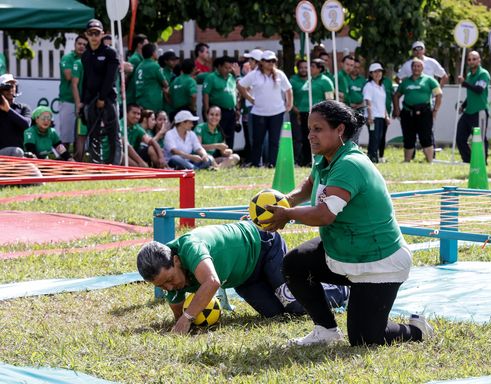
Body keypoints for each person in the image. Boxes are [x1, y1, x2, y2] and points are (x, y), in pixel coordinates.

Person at [262, 100, 434, 347]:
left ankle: (417, 330)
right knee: (295, 264)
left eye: (318, 129)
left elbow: (324, 215)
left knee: (365, 339)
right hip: (345, 251)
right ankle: (326, 330)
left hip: (379, 263)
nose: (310, 135)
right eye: (310, 129)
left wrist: (287, 215)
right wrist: (287, 200)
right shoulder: (327, 158)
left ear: (339, 130)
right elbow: (310, 183)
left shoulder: (349, 164)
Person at [136, 221, 348, 334]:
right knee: (275, 313)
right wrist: (181, 323)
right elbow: (178, 312)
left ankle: (342, 289)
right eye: (161, 285)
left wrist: (188, 318)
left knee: (295, 306)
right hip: (246, 278)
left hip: (264, 248)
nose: (169, 287)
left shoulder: (191, 248)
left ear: (175, 261)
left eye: (169, 280)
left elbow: (212, 283)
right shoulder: (171, 276)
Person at [238, 50, 292, 167]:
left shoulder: (279, 74)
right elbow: (241, 85)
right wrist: (250, 98)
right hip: (259, 113)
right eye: (268, 61)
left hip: (277, 112)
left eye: (273, 61)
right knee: (257, 140)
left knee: (274, 141)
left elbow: (288, 89)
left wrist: (289, 103)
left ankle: (272, 163)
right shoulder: (254, 74)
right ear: (262, 62)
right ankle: (256, 163)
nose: (271, 63)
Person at [80, 19, 122, 165]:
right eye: (91, 33)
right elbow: (85, 79)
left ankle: (114, 165)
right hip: (90, 99)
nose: (94, 37)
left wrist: (102, 98)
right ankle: (96, 164)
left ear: (102, 34)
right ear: (86, 35)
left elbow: (110, 77)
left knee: (113, 133)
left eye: (97, 33)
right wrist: (82, 102)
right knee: (93, 133)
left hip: (108, 98)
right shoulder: (85, 55)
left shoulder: (110, 53)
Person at [397, 41, 448, 158]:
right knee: (409, 136)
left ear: (424, 50)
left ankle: (431, 158)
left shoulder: (431, 63)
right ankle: (409, 158)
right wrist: (406, 87)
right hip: (408, 110)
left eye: (420, 48)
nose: (418, 51)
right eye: (415, 49)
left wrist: (436, 91)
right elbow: (398, 80)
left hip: (426, 104)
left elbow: (444, 76)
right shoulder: (407, 66)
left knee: (427, 134)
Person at [393, 58, 442, 163]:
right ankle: (407, 161)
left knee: (426, 137)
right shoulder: (405, 82)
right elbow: (396, 95)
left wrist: (435, 109)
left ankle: (430, 161)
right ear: (411, 68)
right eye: (414, 66)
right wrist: (397, 109)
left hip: (424, 112)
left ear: (422, 68)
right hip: (408, 112)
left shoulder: (429, 80)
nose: (416, 68)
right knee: (408, 137)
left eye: (418, 66)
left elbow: (438, 94)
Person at [293, 58, 334, 166]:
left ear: (320, 69)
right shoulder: (309, 80)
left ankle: (317, 160)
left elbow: (330, 99)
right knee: (305, 138)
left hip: (319, 115)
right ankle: (306, 160)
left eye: (312, 66)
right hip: (304, 113)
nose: (309, 69)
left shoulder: (325, 81)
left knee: (317, 138)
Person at [456, 50, 491, 163]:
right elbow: (470, 94)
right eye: (469, 59)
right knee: (460, 138)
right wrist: (463, 105)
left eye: (474, 59)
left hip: (479, 112)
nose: (471, 61)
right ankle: (468, 161)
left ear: (479, 60)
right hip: (468, 112)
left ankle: (482, 162)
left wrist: (464, 83)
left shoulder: (483, 74)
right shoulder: (470, 75)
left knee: (480, 139)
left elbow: (479, 90)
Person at [202, 56, 240, 149]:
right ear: (219, 67)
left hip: (231, 111)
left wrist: (237, 109)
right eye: (226, 68)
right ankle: (218, 157)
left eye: (230, 68)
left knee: (230, 134)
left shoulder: (231, 78)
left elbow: (235, 93)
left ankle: (229, 155)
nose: (228, 70)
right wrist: (207, 111)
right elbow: (205, 95)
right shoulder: (211, 77)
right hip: (218, 111)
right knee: (218, 135)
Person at [58, 34, 87, 151]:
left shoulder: (88, 59)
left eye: (85, 45)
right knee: (66, 138)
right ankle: (63, 161)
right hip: (68, 100)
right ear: (74, 45)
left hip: (83, 101)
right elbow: (69, 76)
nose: (81, 46)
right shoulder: (67, 58)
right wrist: (79, 65)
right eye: (79, 44)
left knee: (80, 137)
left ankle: (76, 162)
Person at [362, 63, 390, 163]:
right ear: (371, 74)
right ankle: (372, 157)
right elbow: (368, 102)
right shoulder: (369, 86)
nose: (378, 73)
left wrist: (386, 116)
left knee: (380, 138)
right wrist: (370, 116)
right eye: (375, 72)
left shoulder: (381, 86)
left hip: (381, 116)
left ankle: (376, 157)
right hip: (373, 117)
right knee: (374, 137)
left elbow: (382, 103)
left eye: (380, 71)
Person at [0, 74, 31, 157]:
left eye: (12, 86)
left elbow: (26, 124)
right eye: (7, 86)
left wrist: (8, 110)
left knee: (35, 171)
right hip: (2, 155)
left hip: (18, 157)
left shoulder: (23, 108)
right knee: (17, 152)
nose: (10, 89)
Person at [135, 43, 169, 114]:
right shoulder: (154, 65)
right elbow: (165, 84)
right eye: (156, 51)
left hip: (140, 101)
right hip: (152, 102)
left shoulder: (139, 66)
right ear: (153, 53)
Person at [290, 59, 309, 165]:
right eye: (301, 67)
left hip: (310, 114)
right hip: (297, 113)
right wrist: (294, 108)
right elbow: (288, 96)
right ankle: (298, 161)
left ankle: (308, 160)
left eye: (306, 67)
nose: (303, 69)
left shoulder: (312, 79)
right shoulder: (293, 80)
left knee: (309, 138)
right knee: (298, 138)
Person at [347, 59, 367, 144]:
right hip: (347, 109)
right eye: (354, 67)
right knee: (348, 133)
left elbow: (366, 96)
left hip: (360, 110)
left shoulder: (363, 80)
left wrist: (359, 105)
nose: (356, 69)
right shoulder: (345, 78)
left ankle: (354, 151)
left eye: (358, 67)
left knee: (356, 133)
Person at [125, 33, 149, 103]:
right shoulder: (135, 59)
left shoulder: (141, 58)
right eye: (146, 44)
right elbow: (127, 77)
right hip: (133, 96)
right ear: (139, 45)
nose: (148, 46)